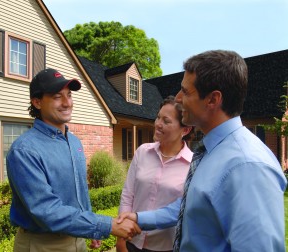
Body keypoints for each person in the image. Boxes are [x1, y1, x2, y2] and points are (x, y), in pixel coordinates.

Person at [118, 50, 287, 251]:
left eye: (186, 92)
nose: (178, 99)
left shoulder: (247, 166)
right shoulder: (210, 151)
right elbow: (189, 207)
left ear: (213, 100)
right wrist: (139, 217)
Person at [6, 68, 141, 252]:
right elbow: (47, 211)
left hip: (77, 240)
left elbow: (80, 189)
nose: (67, 103)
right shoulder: (24, 150)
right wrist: (105, 225)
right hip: (42, 244)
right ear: (37, 102)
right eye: (56, 97)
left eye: (69, 95)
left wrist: (91, 228)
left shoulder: (74, 141)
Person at [116, 96, 194, 252]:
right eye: (158, 117)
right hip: (131, 242)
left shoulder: (193, 166)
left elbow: (182, 211)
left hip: (165, 247)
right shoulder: (142, 152)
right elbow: (127, 195)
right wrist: (121, 238)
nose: (158, 124)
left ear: (185, 130)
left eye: (166, 121)